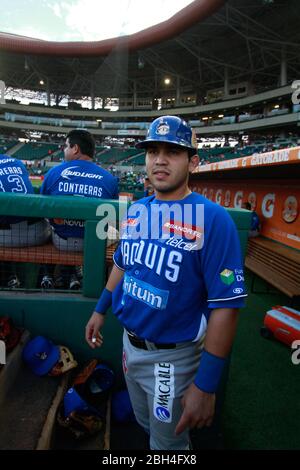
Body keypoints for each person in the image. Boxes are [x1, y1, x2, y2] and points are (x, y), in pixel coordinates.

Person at [85, 116, 247, 450]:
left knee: (168, 446)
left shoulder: (214, 220)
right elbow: (122, 263)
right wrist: (100, 309)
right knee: (146, 425)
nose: (159, 159)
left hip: (172, 362)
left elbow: (227, 308)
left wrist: (205, 386)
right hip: (130, 346)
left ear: (193, 161)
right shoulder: (136, 211)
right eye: (152, 151)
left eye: (172, 151)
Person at [40, 130, 119, 289]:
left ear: (75, 149)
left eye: (66, 146)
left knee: (47, 225)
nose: (64, 150)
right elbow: (113, 217)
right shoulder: (109, 178)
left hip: (62, 242)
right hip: (96, 242)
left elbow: (42, 208)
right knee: (115, 231)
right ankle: (82, 276)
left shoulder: (54, 172)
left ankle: (50, 275)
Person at [0, 154, 51, 287]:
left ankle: (8, 277)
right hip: (37, 234)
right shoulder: (16, 162)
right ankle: (45, 275)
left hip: (4, 236)